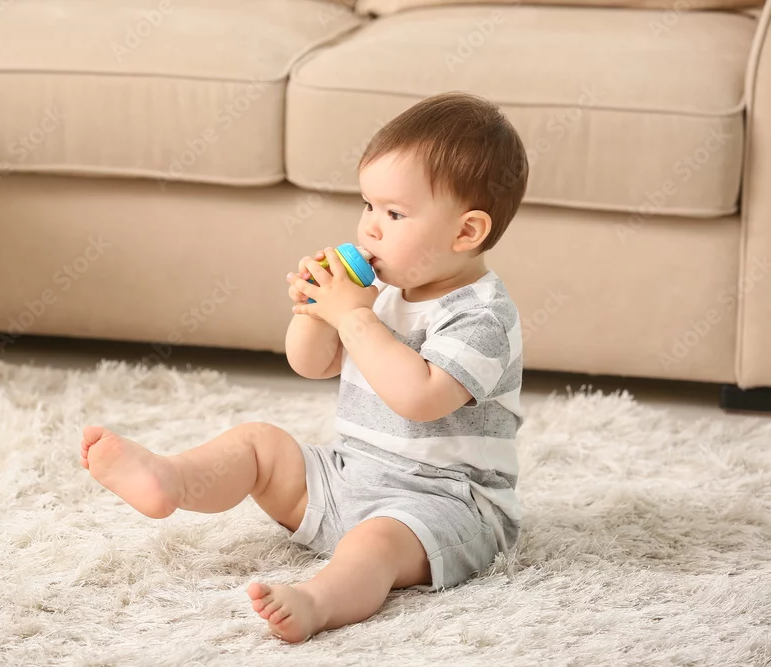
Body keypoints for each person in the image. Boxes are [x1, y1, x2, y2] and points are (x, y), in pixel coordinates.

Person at [81, 91, 529, 643]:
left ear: (466, 232)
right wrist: (316, 312)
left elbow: (420, 398)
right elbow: (311, 364)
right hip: (349, 473)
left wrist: (353, 318)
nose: (370, 228)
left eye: (394, 214)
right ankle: (170, 479)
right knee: (258, 443)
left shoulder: (481, 316)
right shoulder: (381, 290)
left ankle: (318, 600)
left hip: (446, 504)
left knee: (374, 544)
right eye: (368, 206)